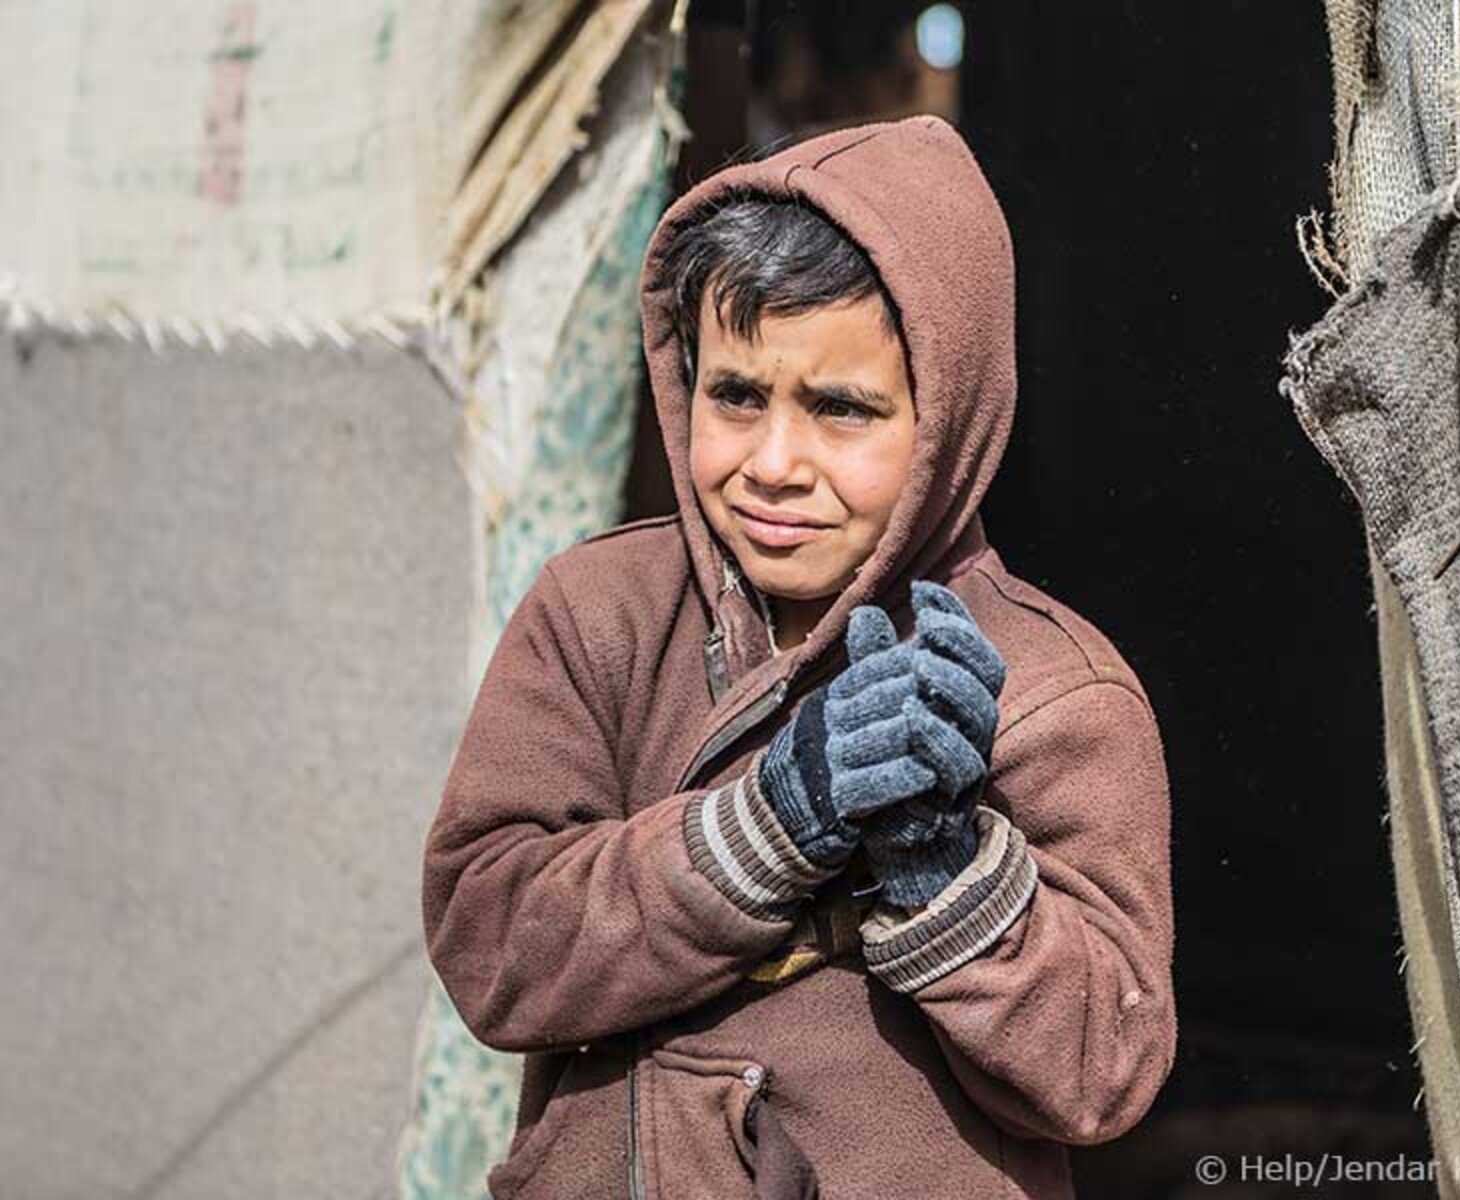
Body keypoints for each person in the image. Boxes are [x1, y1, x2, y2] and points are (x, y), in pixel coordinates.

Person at [421, 114, 1175, 1199]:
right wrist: (768, 824)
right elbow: (490, 945)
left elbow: (1101, 1075)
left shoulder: (1055, 692)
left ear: (949, 417)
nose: (774, 463)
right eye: (736, 394)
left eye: (840, 409)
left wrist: (945, 875)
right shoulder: (598, 616)